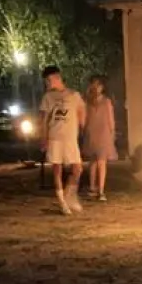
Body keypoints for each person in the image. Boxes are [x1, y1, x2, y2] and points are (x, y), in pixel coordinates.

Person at [39, 65, 87, 215]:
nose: (47, 84)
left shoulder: (74, 95)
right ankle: (62, 202)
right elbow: (43, 120)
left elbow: (82, 110)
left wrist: (81, 124)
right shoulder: (48, 97)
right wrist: (44, 138)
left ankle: (69, 195)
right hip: (55, 137)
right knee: (57, 169)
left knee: (77, 168)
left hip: (70, 138)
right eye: (46, 81)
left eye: (48, 80)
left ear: (57, 78)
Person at [83, 76, 117, 202]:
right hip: (91, 133)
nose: (96, 87)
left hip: (104, 134)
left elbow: (110, 119)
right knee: (93, 162)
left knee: (102, 162)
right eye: (94, 85)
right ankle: (92, 188)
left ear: (102, 87)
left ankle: (101, 190)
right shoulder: (88, 102)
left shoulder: (106, 102)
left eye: (98, 85)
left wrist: (112, 132)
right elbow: (85, 118)